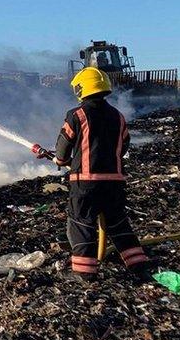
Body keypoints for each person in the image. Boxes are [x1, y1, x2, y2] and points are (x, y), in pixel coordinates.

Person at [53, 67, 152, 280]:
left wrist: (61, 161)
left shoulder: (76, 115)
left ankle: (84, 273)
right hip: (114, 182)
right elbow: (123, 145)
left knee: (81, 223)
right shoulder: (118, 116)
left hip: (85, 184)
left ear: (81, 89)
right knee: (117, 223)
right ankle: (139, 265)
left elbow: (63, 147)